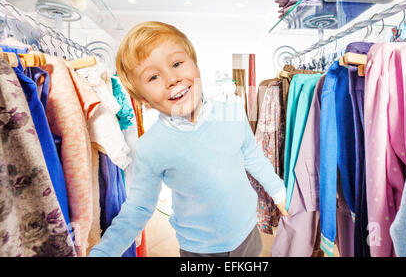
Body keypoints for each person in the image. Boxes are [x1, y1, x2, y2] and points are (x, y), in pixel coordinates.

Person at [88, 21, 288, 257]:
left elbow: (253, 157)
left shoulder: (232, 113)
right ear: (144, 100)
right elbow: (139, 207)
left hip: (247, 234)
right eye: (153, 77)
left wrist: (279, 193)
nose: (172, 79)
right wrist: (104, 251)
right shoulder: (150, 147)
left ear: (196, 66)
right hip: (199, 249)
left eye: (176, 63)